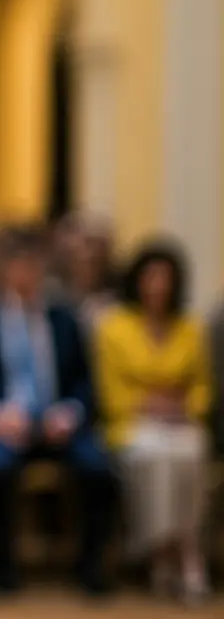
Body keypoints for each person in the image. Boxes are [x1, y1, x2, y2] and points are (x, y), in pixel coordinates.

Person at [0, 227, 115, 596]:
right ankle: (3, 565)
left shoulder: (64, 318)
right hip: (4, 423)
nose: (26, 274)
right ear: (4, 271)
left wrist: (70, 412)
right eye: (18, 266)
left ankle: (90, 564)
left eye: (33, 266)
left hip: (57, 422)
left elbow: (84, 382)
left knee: (99, 468)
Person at [95, 242, 211, 605]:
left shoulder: (190, 328)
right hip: (133, 422)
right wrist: (149, 403)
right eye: (151, 277)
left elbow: (203, 386)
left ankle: (181, 550)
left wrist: (185, 406)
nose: (158, 286)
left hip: (181, 421)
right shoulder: (114, 327)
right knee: (156, 456)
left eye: (166, 278)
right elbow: (110, 390)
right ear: (137, 281)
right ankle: (169, 553)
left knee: (191, 452)